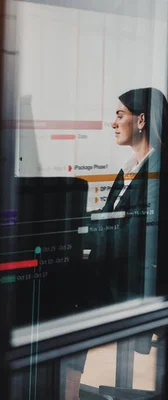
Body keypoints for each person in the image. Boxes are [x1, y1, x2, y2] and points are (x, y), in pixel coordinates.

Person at [64, 88, 168, 399]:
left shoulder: (157, 171)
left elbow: (132, 234)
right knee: (66, 285)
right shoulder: (132, 169)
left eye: (119, 115)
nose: (113, 122)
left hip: (133, 282)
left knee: (67, 300)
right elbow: (112, 221)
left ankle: (65, 388)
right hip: (121, 271)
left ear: (141, 121)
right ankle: (64, 386)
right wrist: (76, 227)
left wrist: (80, 238)